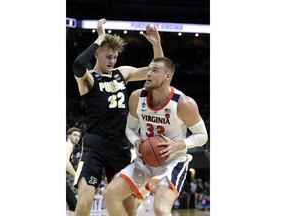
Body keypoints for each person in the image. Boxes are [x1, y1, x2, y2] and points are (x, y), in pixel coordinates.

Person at [72, 18, 163, 216]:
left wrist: (157, 45)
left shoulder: (122, 73)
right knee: (84, 203)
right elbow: (78, 63)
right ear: (97, 54)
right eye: (108, 57)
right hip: (95, 144)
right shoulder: (88, 78)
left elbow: (156, 73)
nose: (112, 61)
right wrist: (101, 37)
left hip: (120, 145)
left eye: (114, 57)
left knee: (129, 209)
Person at [103, 57, 208, 216]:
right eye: (149, 69)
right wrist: (136, 141)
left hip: (172, 161)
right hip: (144, 160)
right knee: (110, 194)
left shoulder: (183, 103)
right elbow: (130, 129)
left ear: (167, 76)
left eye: (154, 70)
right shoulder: (137, 98)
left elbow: (202, 136)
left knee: (160, 209)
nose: (148, 73)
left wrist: (178, 145)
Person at [66, 127, 82, 216]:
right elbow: (65, 162)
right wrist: (76, 175)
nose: (77, 137)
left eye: (79, 136)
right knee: (73, 202)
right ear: (69, 136)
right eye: (74, 135)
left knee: (73, 202)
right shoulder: (68, 145)